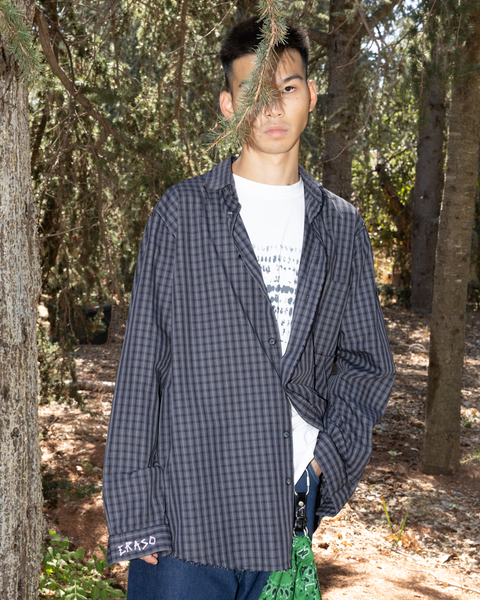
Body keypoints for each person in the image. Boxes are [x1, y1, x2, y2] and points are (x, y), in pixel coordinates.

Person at [103, 16, 395, 600]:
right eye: (252, 92)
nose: (272, 107)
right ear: (227, 106)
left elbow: (367, 365)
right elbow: (142, 366)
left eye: (287, 87)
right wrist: (134, 509)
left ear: (311, 96)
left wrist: (325, 466)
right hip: (186, 521)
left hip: (285, 517)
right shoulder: (182, 215)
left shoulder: (341, 227)